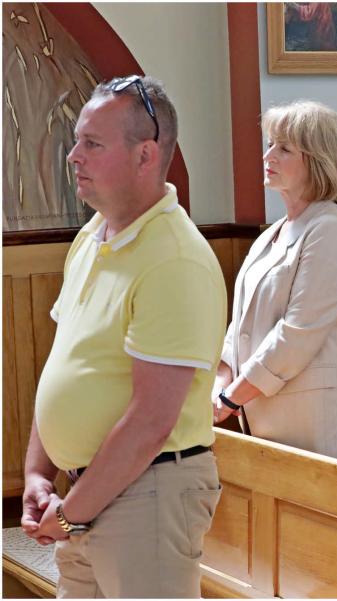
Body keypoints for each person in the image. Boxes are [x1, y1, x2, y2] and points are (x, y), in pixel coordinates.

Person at [21, 75, 228, 598]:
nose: (73, 156)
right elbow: (66, 361)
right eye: (77, 141)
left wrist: (70, 515)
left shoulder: (174, 258)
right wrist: (37, 473)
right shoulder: (92, 236)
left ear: (145, 155)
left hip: (149, 493)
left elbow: (150, 422)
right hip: (87, 490)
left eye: (92, 143)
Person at [213, 100, 337, 463]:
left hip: (311, 417)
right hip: (259, 407)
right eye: (270, 145)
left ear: (319, 160)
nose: (268, 156)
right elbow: (240, 326)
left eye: (284, 148)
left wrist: (233, 395)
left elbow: (299, 332)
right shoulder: (272, 234)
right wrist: (220, 382)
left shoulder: (332, 229)